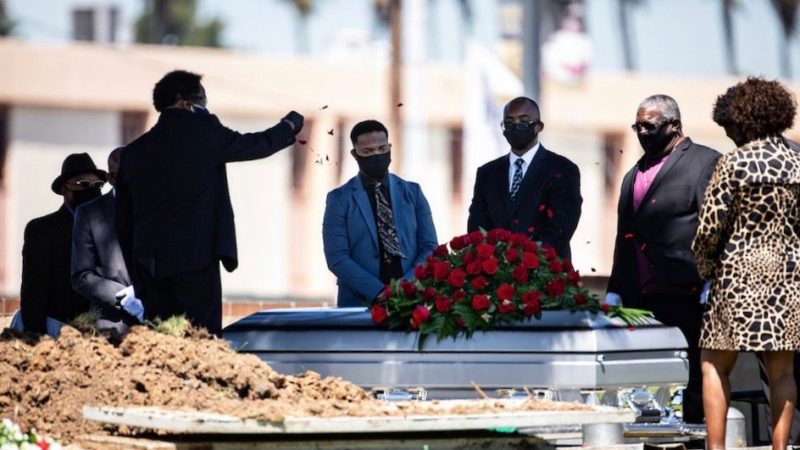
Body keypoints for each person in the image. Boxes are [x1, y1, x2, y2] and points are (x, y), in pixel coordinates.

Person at [115, 70, 303, 336]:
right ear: (184, 101)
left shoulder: (134, 153)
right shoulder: (203, 131)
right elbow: (253, 145)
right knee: (202, 339)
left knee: (160, 342)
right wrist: (288, 127)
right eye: (201, 99)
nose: (205, 106)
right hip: (196, 259)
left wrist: (137, 271)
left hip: (150, 266)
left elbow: (122, 220)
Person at [692, 77, 799, 450]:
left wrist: (705, 269)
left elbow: (709, 228)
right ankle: (780, 447)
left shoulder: (733, 163)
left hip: (737, 276)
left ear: (743, 118)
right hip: (788, 276)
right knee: (782, 370)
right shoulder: (798, 160)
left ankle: (717, 448)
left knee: (713, 365)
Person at [605, 95, 721, 424]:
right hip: (640, 297)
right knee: (644, 376)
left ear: (674, 126)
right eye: (637, 126)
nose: (642, 132)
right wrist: (615, 288)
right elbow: (624, 234)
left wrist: (712, 278)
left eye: (650, 126)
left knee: (696, 373)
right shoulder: (633, 173)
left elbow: (715, 224)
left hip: (687, 290)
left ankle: (699, 437)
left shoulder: (704, 162)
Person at [322, 120, 438, 307]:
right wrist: (377, 291)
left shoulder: (413, 192)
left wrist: (405, 286)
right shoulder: (339, 199)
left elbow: (430, 247)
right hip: (359, 303)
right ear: (355, 154)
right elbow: (337, 257)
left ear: (390, 147)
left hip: (412, 300)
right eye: (368, 151)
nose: (377, 155)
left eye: (382, 148)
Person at [467, 96, 581, 259]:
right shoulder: (487, 173)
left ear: (539, 127)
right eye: (509, 122)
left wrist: (523, 259)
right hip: (495, 274)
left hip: (545, 273)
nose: (515, 126)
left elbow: (560, 228)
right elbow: (477, 226)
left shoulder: (563, 169)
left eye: (523, 121)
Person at [18, 152, 106, 336]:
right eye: (83, 184)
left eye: (97, 185)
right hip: (58, 330)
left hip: (103, 333)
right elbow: (34, 289)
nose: (92, 190)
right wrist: (36, 335)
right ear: (65, 189)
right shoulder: (42, 229)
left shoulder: (110, 227)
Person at [71, 147, 140, 337]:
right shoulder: (89, 213)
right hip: (111, 325)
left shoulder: (156, 208)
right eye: (123, 175)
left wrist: (146, 293)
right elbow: (81, 275)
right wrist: (125, 296)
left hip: (154, 323)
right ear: (110, 179)